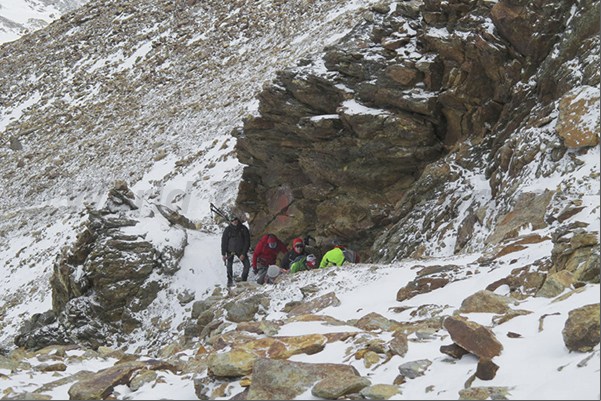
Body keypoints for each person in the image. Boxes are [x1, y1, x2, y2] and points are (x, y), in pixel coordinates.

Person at [221, 214, 251, 287]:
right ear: (230, 222)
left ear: (237, 219)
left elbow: (247, 242)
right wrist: (223, 254)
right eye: (232, 220)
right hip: (229, 251)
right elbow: (224, 241)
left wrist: (243, 253)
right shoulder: (227, 230)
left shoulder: (243, 229)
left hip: (240, 251)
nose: (234, 221)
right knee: (229, 266)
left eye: (235, 219)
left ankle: (243, 280)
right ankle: (230, 280)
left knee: (247, 265)